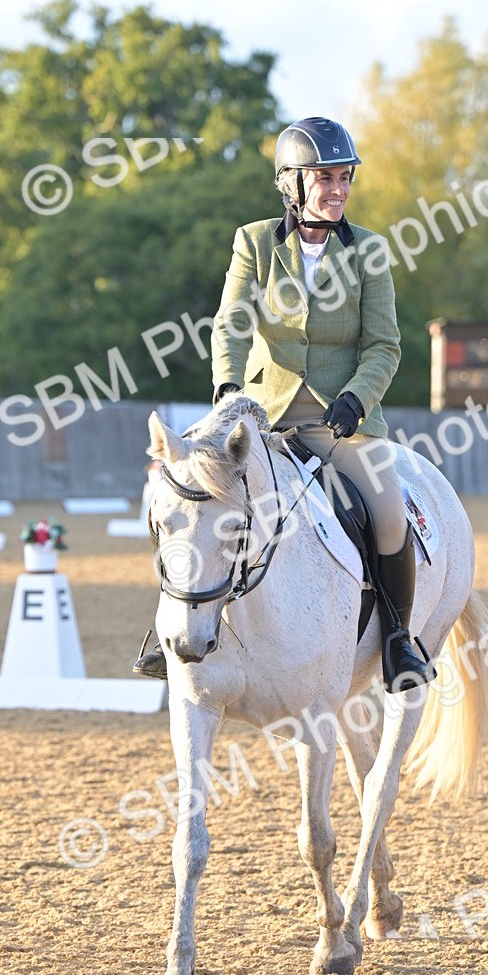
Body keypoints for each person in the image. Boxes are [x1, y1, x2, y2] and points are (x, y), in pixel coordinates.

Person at [134, 116, 433, 693]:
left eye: (344, 178)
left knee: (389, 513)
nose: (338, 189)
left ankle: (398, 639)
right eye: (324, 178)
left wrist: (354, 399)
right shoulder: (254, 241)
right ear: (292, 184)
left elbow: (384, 346)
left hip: (339, 421)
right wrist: (228, 392)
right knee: (187, 493)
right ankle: (167, 626)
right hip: (257, 418)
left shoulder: (369, 250)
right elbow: (231, 323)